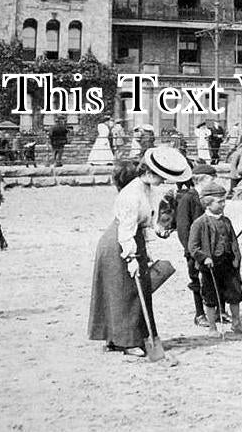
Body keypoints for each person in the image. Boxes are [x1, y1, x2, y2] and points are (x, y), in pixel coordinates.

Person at [88, 147, 192, 358]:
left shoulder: (148, 189)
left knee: (137, 289)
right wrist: (131, 257)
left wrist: (148, 245)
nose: (163, 181)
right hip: (118, 242)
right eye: (161, 177)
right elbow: (127, 228)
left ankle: (128, 337)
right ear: (149, 173)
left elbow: (146, 222)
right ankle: (126, 342)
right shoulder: (131, 194)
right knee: (126, 292)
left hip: (134, 239)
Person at [188, 181, 242, 336]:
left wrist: (236, 258)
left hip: (229, 265)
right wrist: (203, 258)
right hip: (210, 267)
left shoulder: (226, 220)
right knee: (210, 297)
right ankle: (213, 328)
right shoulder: (199, 223)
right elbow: (193, 247)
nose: (223, 205)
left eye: (224, 201)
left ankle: (236, 323)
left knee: (235, 294)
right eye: (219, 202)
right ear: (207, 204)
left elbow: (233, 241)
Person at [176, 164, 218, 326]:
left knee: (214, 279)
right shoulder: (188, 199)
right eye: (212, 179)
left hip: (212, 247)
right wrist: (191, 250)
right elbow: (183, 228)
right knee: (197, 281)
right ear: (202, 180)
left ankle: (217, 312)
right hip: (195, 249)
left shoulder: (210, 197)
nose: (215, 182)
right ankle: (200, 314)